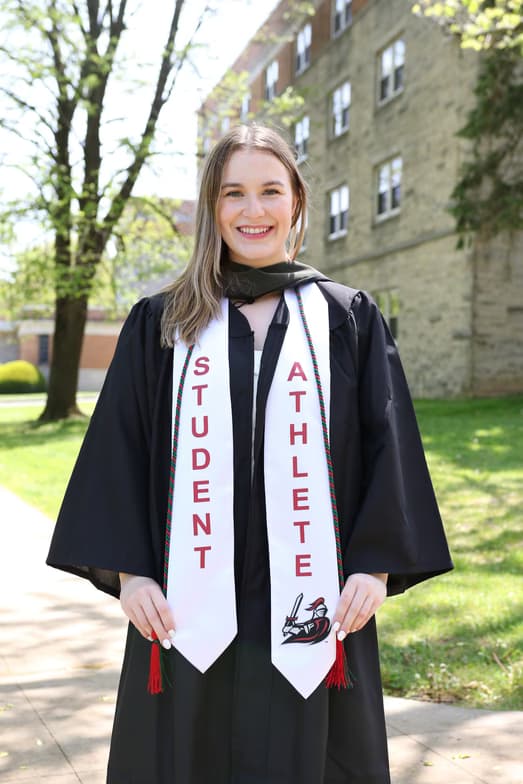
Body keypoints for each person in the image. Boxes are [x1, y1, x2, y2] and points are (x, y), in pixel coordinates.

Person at [47, 124, 453, 784]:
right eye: (233, 193)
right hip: (187, 600)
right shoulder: (163, 323)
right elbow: (119, 449)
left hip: (314, 598)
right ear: (212, 206)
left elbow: (390, 446)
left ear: (297, 200)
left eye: (270, 190)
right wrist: (131, 575)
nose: (252, 210)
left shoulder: (346, 318)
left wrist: (375, 567)